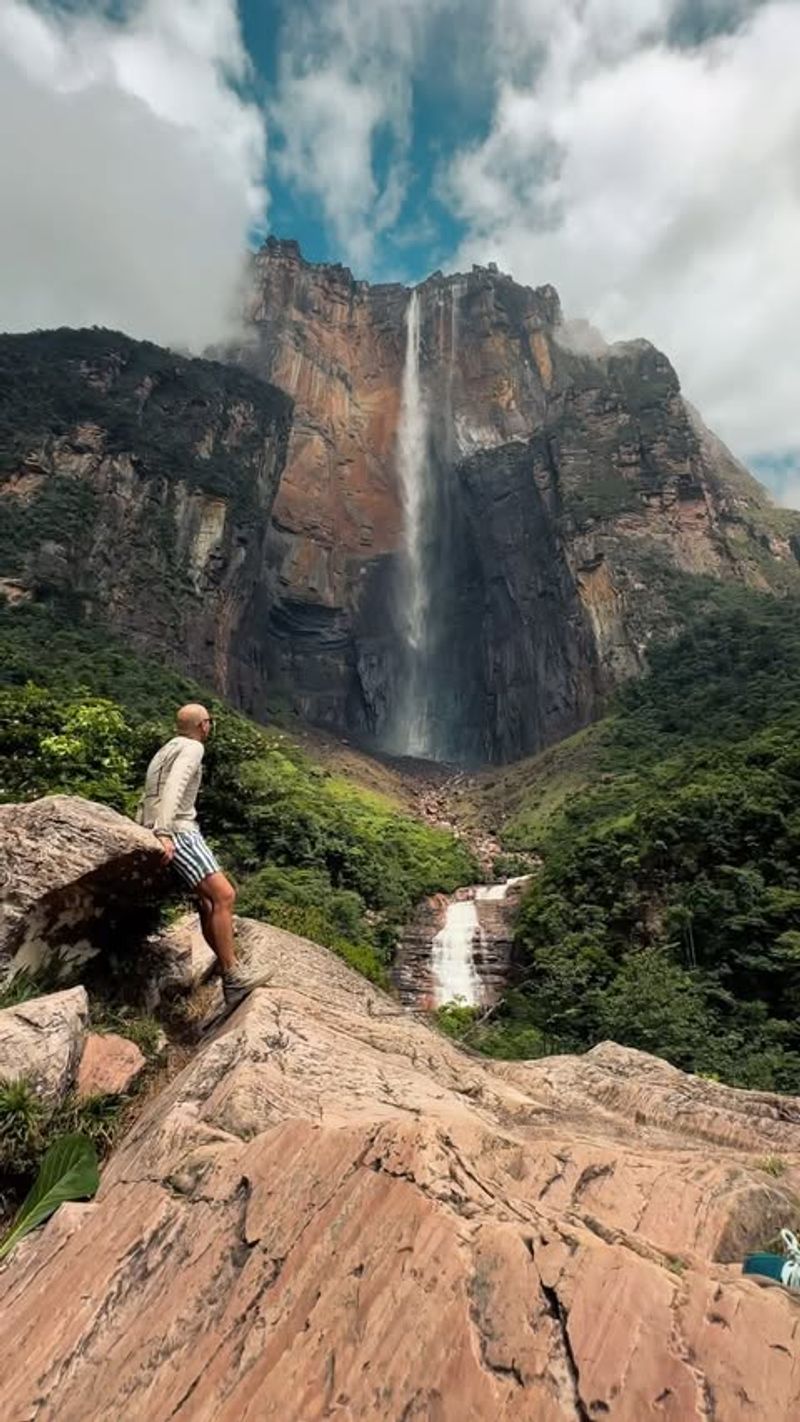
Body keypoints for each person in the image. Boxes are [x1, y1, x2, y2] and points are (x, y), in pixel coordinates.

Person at [139, 703, 269, 1007]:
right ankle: (234, 976)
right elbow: (173, 788)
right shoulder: (194, 749)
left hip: (163, 825)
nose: (210, 727)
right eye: (209, 722)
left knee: (208, 901)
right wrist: (164, 831)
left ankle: (230, 969)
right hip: (180, 831)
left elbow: (150, 792)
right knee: (224, 895)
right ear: (203, 725)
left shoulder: (167, 748)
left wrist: (150, 825)